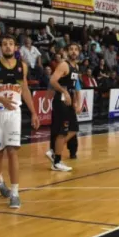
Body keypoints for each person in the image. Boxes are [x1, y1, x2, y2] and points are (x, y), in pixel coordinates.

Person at [0, 35, 40, 209]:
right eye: (4, 44)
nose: (7, 46)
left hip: (14, 113)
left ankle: (15, 192)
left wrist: (34, 112)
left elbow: (25, 90)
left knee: (13, 151)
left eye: (11, 44)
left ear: (15, 47)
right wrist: (1, 100)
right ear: (0, 47)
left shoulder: (22, 66)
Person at [45, 42, 81, 172]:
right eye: (71, 49)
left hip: (68, 101)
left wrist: (76, 102)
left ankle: (54, 151)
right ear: (66, 51)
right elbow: (52, 80)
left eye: (76, 49)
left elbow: (74, 87)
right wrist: (64, 92)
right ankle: (57, 162)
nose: (73, 51)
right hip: (61, 101)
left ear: (79, 53)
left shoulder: (76, 66)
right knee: (62, 131)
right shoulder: (64, 65)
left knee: (74, 128)